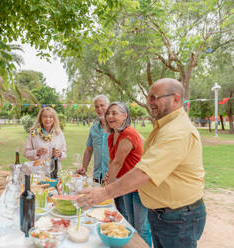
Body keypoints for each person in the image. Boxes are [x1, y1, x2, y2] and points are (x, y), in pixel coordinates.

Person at [77, 78, 206, 248]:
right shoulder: (165, 126)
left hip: (179, 217)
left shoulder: (177, 131)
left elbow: (144, 171)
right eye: (148, 97)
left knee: (139, 229)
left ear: (176, 99)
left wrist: (105, 192)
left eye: (154, 97)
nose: (149, 102)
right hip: (165, 214)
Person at [103, 101, 152, 247]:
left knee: (141, 227)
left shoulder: (129, 133)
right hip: (126, 184)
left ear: (125, 115)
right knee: (130, 223)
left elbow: (118, 162)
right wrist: (108, 175)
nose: (110, 116)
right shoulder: (111, 136)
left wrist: (106, 190)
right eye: (108, 113)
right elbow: (112, 162)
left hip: (139, 185)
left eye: (114, 113)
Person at [77, 95, 110, 182]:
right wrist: (84, 167)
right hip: (98, 176)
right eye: (96, 107)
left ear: (109, 106)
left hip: (113, 176)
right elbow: (89, 150)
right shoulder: (93, 129)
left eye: (102, 105)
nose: (99, 109)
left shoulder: (116, 128)